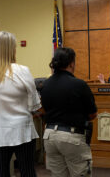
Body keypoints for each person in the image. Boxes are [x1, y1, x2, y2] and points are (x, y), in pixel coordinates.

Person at [0, 31, 41, 177]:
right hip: (21, 129)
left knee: (0, 170)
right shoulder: (22, 71)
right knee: (27, 171)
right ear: (11, 49)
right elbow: (35, 105)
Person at [40, 47, 97, 177]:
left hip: (49, 137)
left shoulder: (46, 84)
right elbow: (92, 114)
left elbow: (43, 109)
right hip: (72, 138)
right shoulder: (79, 84)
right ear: (71, 63)